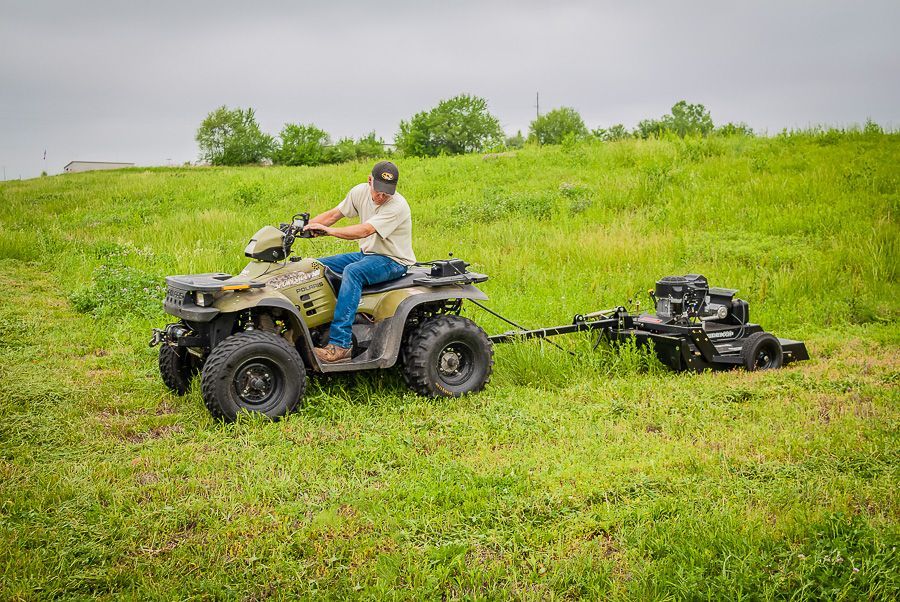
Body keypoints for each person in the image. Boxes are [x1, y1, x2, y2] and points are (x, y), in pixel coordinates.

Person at [303, 160, 416, 363]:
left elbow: (365, 230)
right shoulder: (359, 192)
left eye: (387, 192)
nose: (381, 196)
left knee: (353, 272)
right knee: (316, 266)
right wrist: (307, 227)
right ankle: (317, 326)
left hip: (393, 260)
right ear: (369, 180)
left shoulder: (397, 205)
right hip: (369, 255)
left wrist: (330, 232)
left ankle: (340, 345)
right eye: (378, 190)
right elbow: (333, 215)